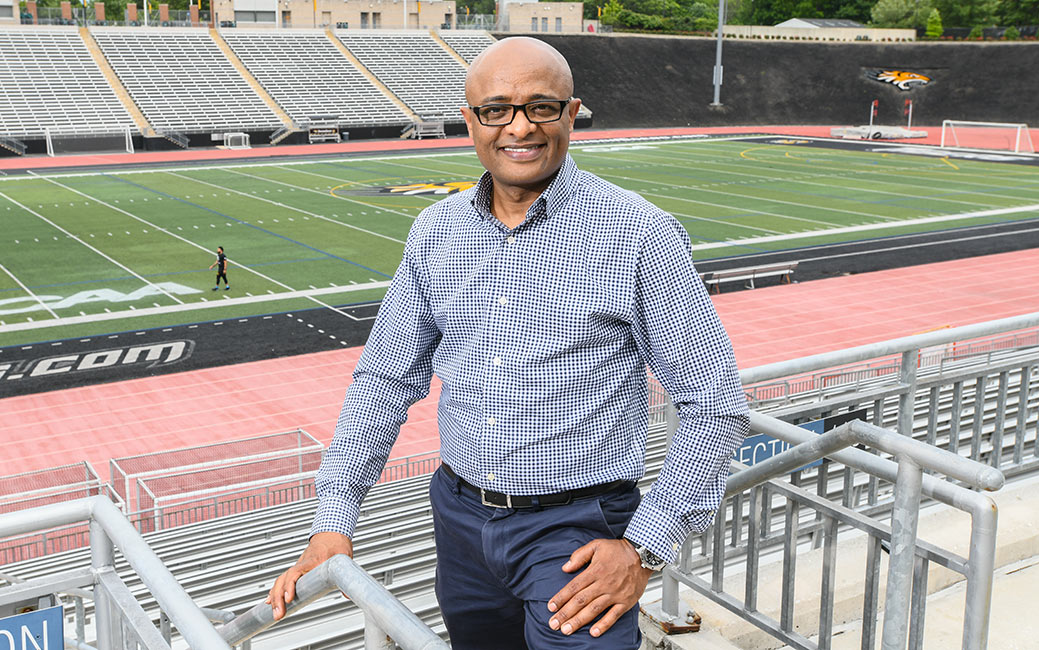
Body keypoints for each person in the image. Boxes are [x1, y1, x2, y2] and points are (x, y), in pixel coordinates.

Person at [267, 37, 749, 648]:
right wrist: (333, 520)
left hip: (577, 531)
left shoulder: (638, 231)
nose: (519, 128)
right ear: (470, 121)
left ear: (571, 113)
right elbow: (383, 381)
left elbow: (715, 404)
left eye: (540, 107)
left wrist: (644, 547)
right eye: (496, 110)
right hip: (460, 519)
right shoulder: (436, 230)